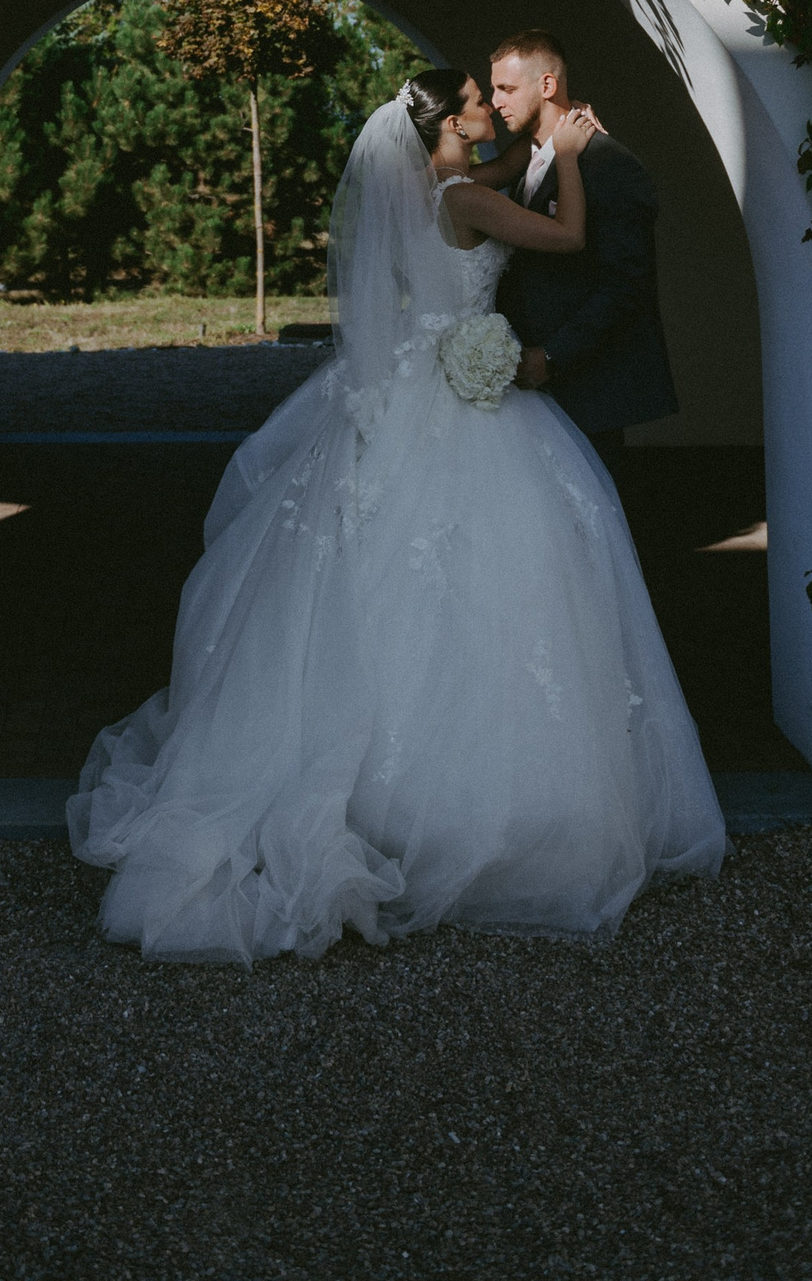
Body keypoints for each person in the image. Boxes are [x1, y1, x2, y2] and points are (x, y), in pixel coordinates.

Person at [68, 68, 724, 964]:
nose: (488, 107)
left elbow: (492, 173)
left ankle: (392, 792)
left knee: (385, 578)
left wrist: (536, 146)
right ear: (447, 125)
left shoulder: (425, 188)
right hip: (464, 392)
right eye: (475, 100)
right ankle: (462, 808)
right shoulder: (468, 199)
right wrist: (570, 154)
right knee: (496, 576)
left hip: (412, 380)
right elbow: (569, 236)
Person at [490, 28, 678, 477]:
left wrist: (551, 357)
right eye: (493, 90)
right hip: (525, 388)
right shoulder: (524, 158)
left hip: (585, 388)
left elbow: (626, 284)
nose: (496, 102)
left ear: (547, 85)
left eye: (507, 89)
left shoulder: (610, 165)